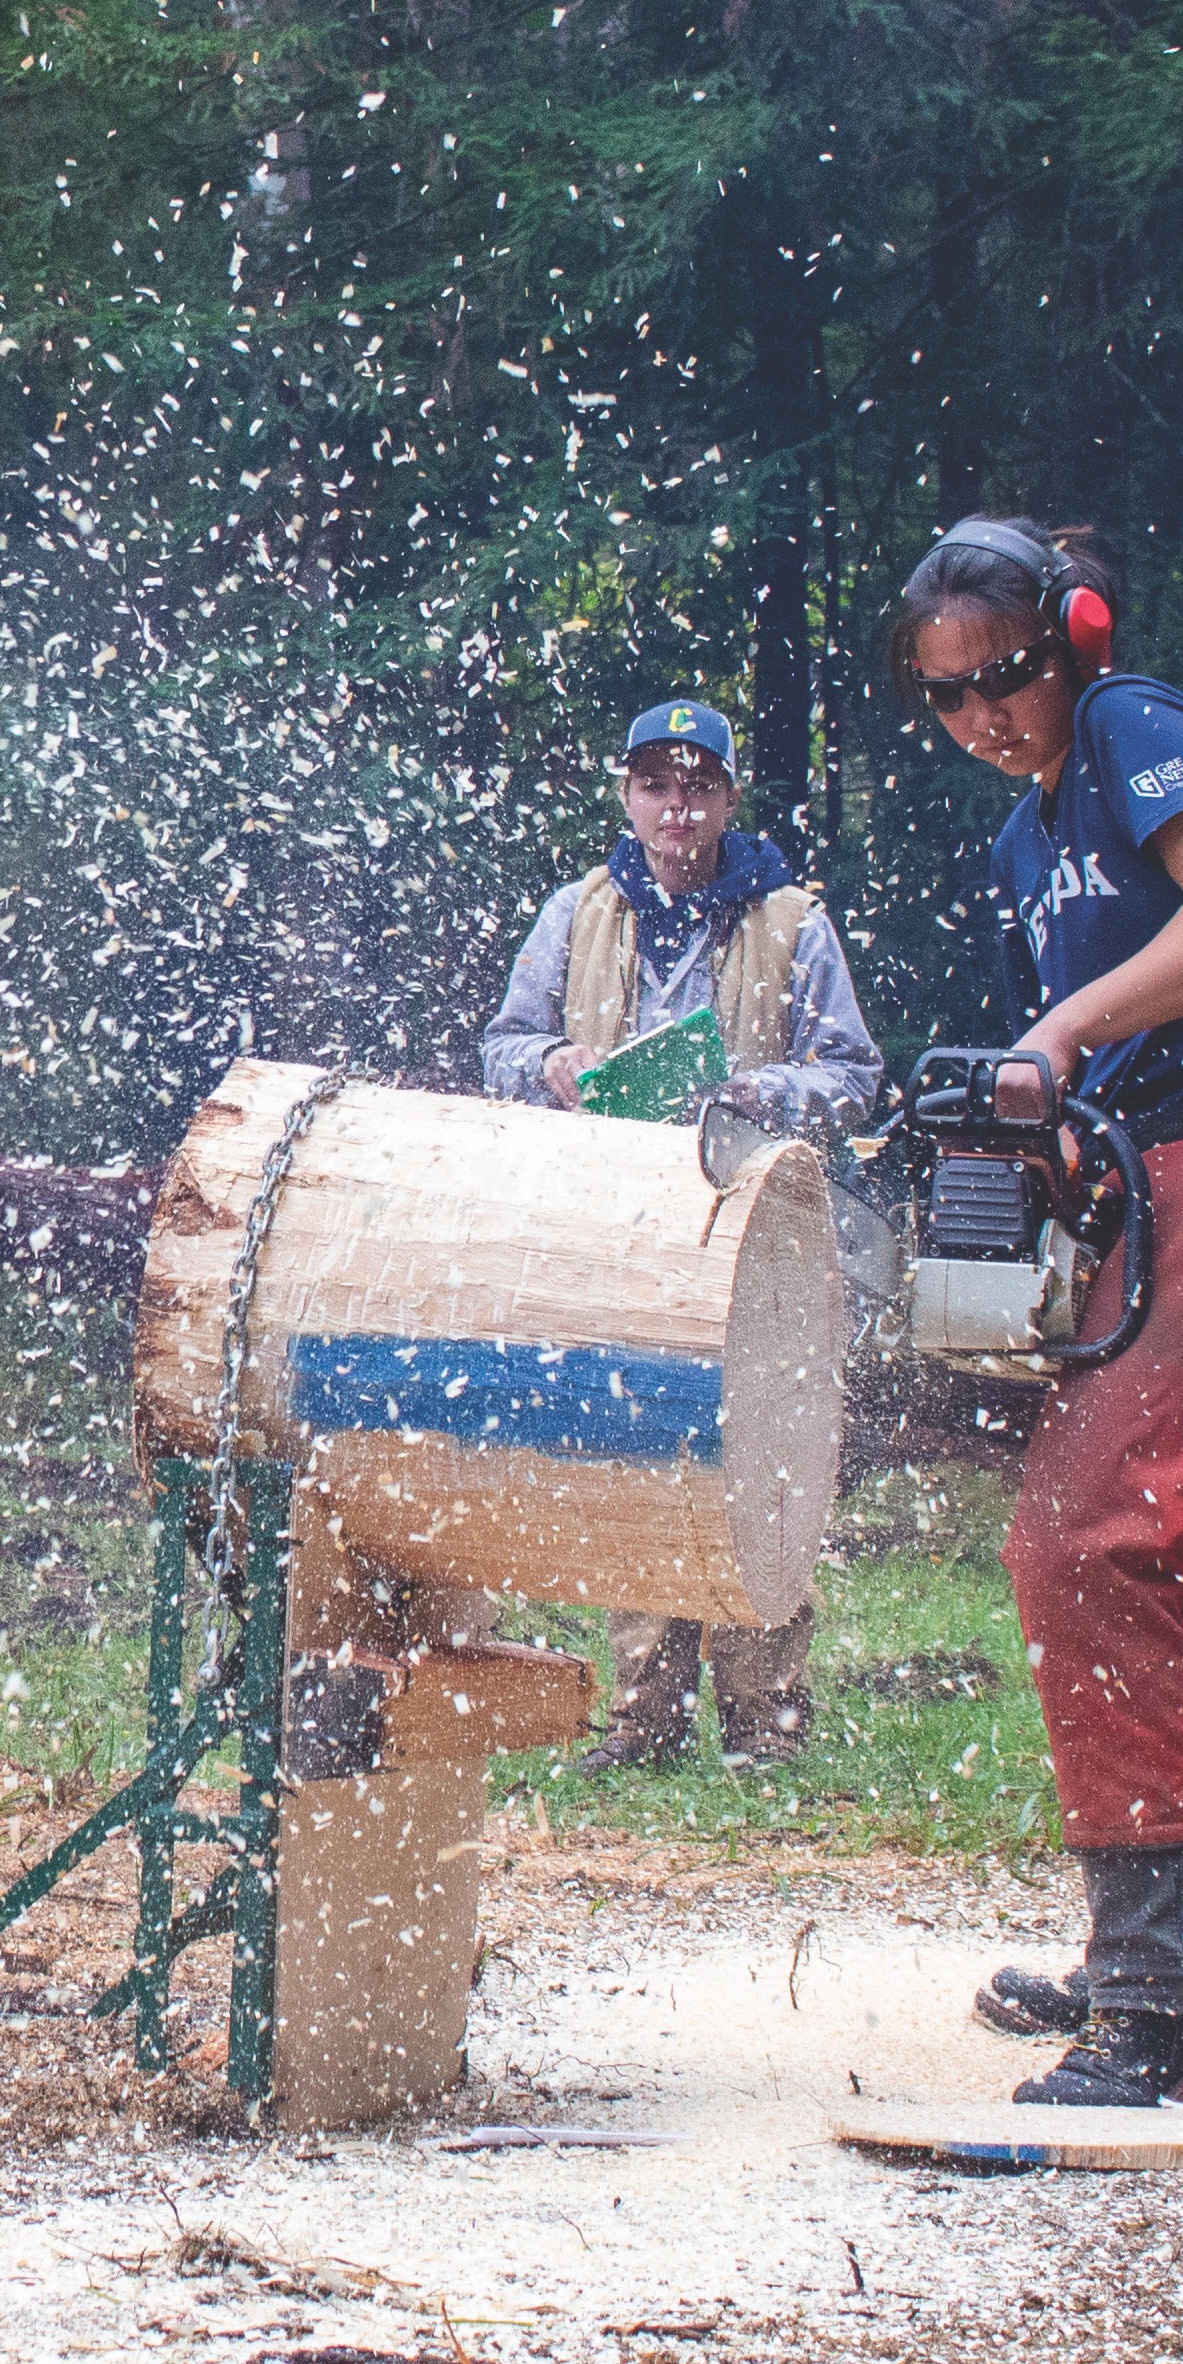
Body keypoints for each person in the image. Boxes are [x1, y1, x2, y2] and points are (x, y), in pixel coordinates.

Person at [887, 518, 1183, 2109]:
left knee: (1096, 1540)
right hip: (1159, 1177)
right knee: (1114, 1550)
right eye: (947, 699)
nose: (985, 717)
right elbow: (1097, 1069)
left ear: (1072, 637)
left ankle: (1161, 2004)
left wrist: (1060, 1035)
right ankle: (1172, 1951)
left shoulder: (1138, 732)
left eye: (1006, 677)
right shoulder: (1027, 840)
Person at [481, 698, 884, 1768]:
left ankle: (767, 1722)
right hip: (625, 1225)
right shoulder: (575, 912)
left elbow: (853, 1076)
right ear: (627, 794)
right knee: (640, 1445)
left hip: (762, 1226)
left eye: (698, 786)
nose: (677, 807)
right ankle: (645, 1720)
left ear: (728, 800)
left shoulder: (795, 919)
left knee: (767, 1458)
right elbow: (503, 1047)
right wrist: (550, 1067)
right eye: (657, 785)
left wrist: (762, 1090)